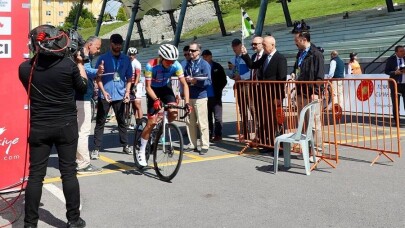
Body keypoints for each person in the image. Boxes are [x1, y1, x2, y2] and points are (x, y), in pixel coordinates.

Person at [19, 25, 86, 228]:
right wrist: (80, 63)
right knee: (68, 172)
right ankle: (73, 220)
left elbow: (30, 86)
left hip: (40, 127)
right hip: (66, 126)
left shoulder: (24, 68)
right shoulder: (68, 65)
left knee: (35, 175)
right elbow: (83, 88)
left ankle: (30, 223)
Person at [136, 44, 191, 166]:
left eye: (173, 61)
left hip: (165, 89)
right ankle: (141, 150)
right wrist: (156, 99)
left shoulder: (176, 65)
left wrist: (187, 102)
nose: (171, 64)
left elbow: (185, 85)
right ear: (161, 57)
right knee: (151, 123)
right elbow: (148, 87)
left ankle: (161, 127)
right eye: (168, 61)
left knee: (174, 112)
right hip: (153, 91)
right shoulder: (151, 65)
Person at [241, 36, 287, 152]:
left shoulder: (280, 58)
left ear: (272, 45)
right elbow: (253, 65)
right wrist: (245, 54)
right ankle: (268, 143)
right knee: (266, 120)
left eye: (265, 44)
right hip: (263, 94)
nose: (263, 47)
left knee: (275, 121)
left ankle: (279, 146)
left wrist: (278, 97)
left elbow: (282, 80)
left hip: (273, 95)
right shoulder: (265, 56)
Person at [91, 34, 133, 160]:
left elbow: (129, 78)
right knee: (100, 122)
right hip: (105, 95)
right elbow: (98, 78)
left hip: (120, 95)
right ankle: (96, 149)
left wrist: (127, 92)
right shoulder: (102, 58)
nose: (118, 46)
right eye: (116, 44)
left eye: (120, 44)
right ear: (111, 44)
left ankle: (125, 145)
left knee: (122, 121)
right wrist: (103, 92)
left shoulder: (126, 59)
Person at [291, 31, 325, 160]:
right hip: (300, 92)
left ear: (304, 39)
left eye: (297, 41)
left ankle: (317, 151)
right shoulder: (300, 54)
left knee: (315, 122)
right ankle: (306, 148)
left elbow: (320, 75)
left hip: (311, 93)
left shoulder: (316, 54)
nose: (295, 44)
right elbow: (296, 68)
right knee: (303, 122)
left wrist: (316, 92)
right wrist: (294, 73)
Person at [76, 36, 103, 174]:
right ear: (90, 44)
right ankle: (83, 164)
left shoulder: (78, 53)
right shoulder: (83, 56)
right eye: (97, 47)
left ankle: (77, 161)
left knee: (77, 131)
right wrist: (98, 72)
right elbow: (86, 71)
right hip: (82, 98)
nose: (98, 50)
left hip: (75, 98)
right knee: (83, 131)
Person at [183, 42, 212, 155]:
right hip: (190, 95)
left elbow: (209, 81)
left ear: (198, 52)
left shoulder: (204, 64)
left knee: (202, 122)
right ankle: (192, 143)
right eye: (189, 50)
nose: (190, 52)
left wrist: (196, 81)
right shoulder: (188, 64)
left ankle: (204, 145)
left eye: (193, 51)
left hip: (200, 97)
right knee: (190, 122)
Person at [228, 38, 251, 141]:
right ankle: (245, 133)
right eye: (233, 46)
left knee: (252, 108)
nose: (234, 48)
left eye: (236, 45)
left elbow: (252, 72)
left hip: (247, 85)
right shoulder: (233, 59)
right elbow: (230, 73)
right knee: (242, 110)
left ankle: (258, 133)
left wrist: (241, 77)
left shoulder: (246, 57)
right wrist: (232, 74)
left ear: (241, 46)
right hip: (238, 85)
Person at [202, 49, 227, 142]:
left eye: (206, 56)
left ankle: (218, 135)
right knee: (207, 117)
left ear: (210, 56)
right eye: (203, 56)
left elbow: (224, 80)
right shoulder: (202, 67)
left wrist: (219, 89)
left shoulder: (217, 66)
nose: (205, 58)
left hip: (215, 96)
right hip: (205, 96)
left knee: (217, 117)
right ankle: (208, 134)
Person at [384, 45, 405, 123]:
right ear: (396, 52)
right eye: (401, 51)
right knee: (396, 104)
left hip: (404, 85)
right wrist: (395, 72)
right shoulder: (391, 60)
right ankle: (397, 121)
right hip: (395, 85)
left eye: (404, 50)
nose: (403, 52)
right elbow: (386, 71)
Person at [127, 47, 143, 128]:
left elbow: (138, 75)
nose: (131, 56)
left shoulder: (137, 63)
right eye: (130, 54)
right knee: (133, 105)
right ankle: (137, 122)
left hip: (137, 84)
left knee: (137, 104)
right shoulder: (127, 62)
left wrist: (135, 86)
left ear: (135, 55)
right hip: (130, 83)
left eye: (133, 55)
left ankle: (140, 124)